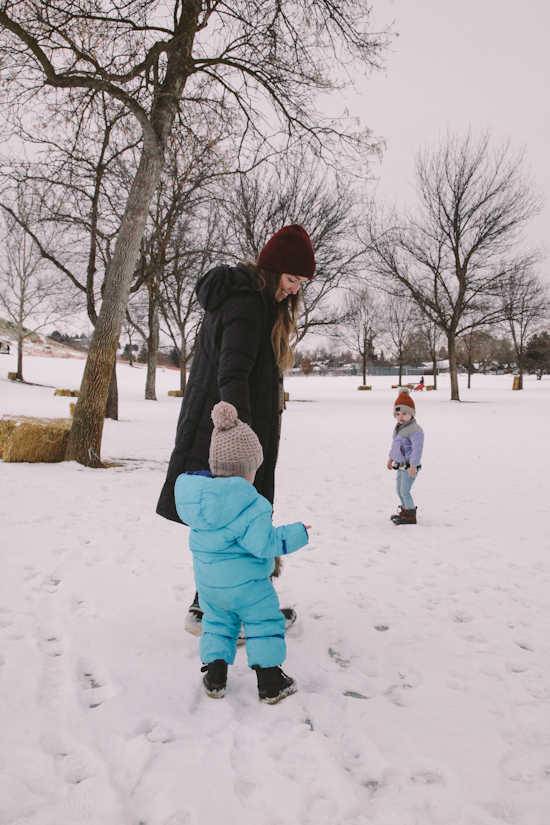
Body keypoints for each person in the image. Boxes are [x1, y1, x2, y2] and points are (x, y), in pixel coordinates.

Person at [157, 224, 315, 634]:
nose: (294, 290)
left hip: (222, 427)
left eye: (301, 283)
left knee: (226, 522)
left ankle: (209, 606)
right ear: (272, 269)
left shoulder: (250, 300)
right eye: (291, 278)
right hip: (230, 432)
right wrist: (239, 438)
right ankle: (232, 612)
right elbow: (233, 374)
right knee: (241, 520)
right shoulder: (247, 304)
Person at [175, 401, 310, 704]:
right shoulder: (252, 505)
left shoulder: (200, 505)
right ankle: (271, 682)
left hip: (210, 587)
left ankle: (215, 677)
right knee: (264, 625)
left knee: (217, 626)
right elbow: (265, 544)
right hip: (249, 588)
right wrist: (297, 533)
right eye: (253, 469)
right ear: (245, 470)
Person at [387, 387, 424, 525]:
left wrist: (413, 466)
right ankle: (404, 511)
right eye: (397, 414)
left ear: (411, 413)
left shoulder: (415, 430)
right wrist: (391, 458)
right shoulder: (399, 427)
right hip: (400, 466)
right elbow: (395, 445)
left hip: (409, 467)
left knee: (405, 491)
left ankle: (410, 516)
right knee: (399, 490)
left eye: (404, 413)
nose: (400, 417)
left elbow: (417, 450)